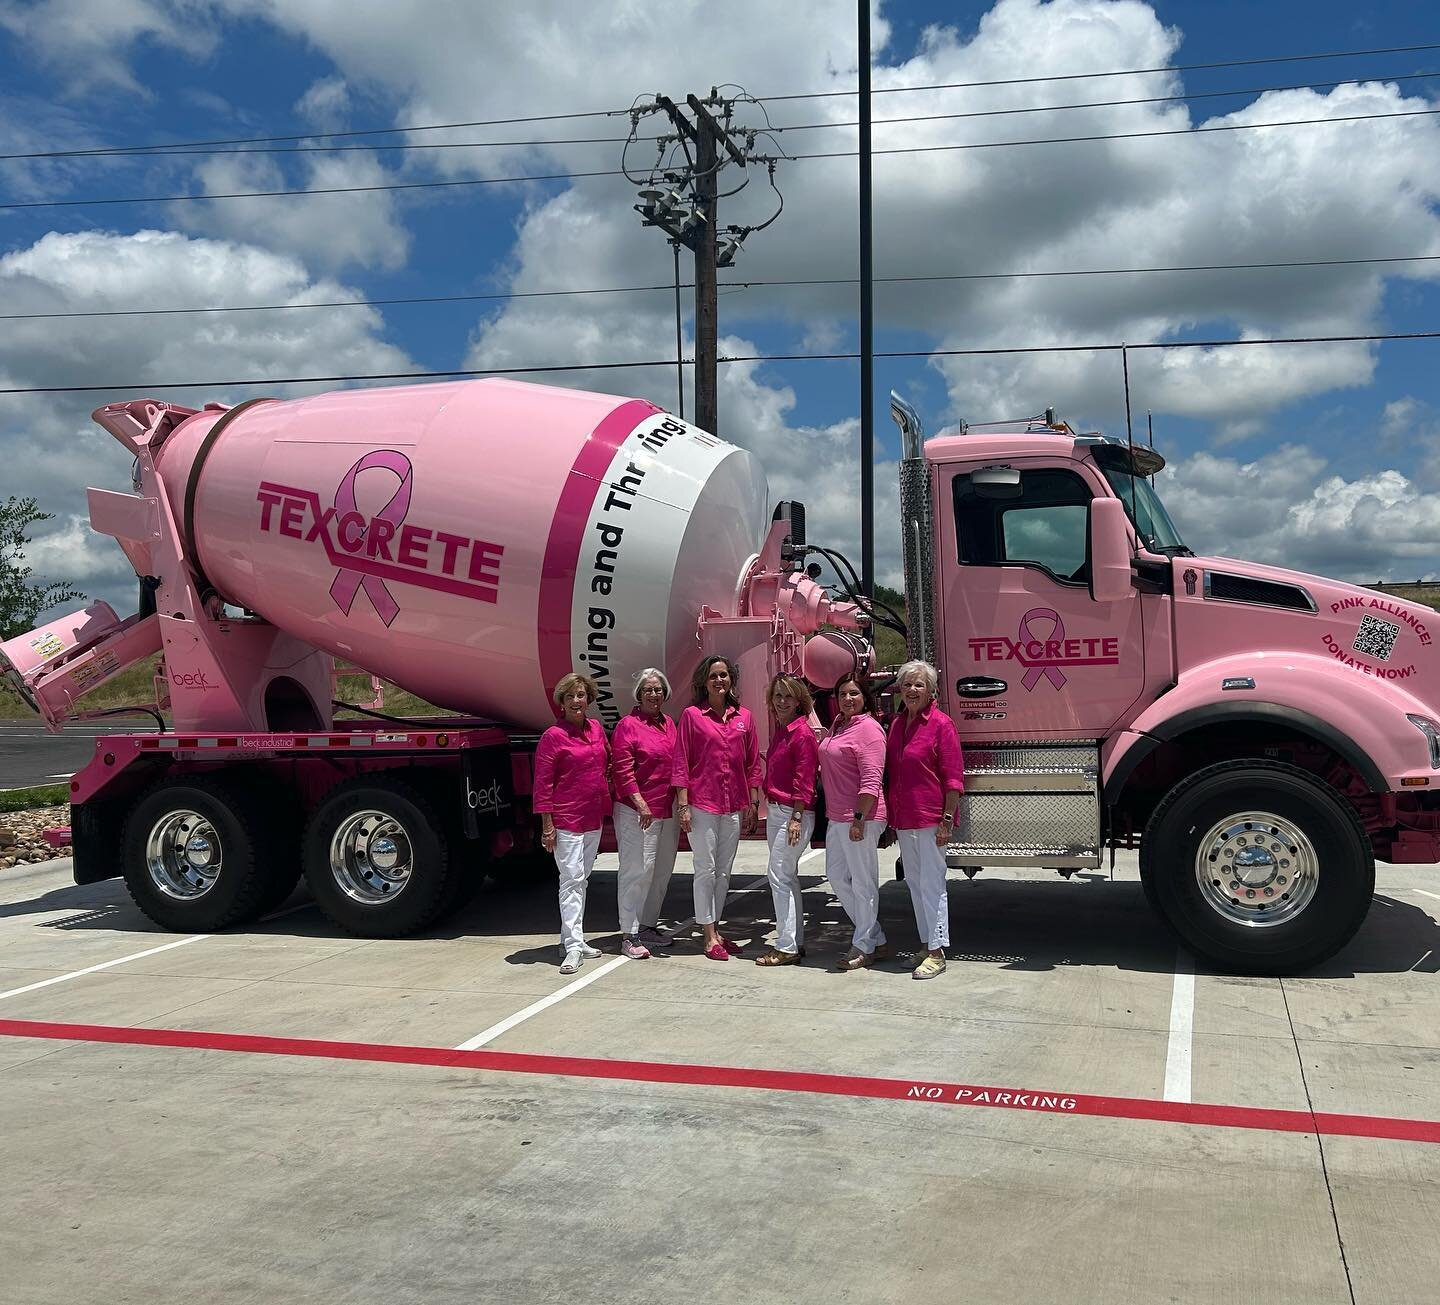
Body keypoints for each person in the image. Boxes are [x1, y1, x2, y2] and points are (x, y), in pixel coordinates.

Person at [673, 654, 761, 961]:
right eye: (713, 676)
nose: (719, 680)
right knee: (705, 869)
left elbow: (752, 763)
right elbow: (681, 761)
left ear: (731, 680)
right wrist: (683, 805)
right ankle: (708, 935)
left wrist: (753, 800)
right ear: (704, 682)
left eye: (724, 675)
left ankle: (716, 929)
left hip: (734, 804)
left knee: (724, 872)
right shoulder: (692, 716)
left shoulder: (744, 717)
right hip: (703, 803)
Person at [886, 660, 965, 980]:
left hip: (932, 817)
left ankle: (937, 952)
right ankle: (926, 943)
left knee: (932, 885)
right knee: (916, 885)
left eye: (919, 684)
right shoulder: (897, 724)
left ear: (931, 689)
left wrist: (946, 820)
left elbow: (953, 778)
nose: (912, 689)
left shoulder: (942, 724)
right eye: (907, 684)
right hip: (905, 818)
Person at [533, 671, 611, 975]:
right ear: (561, 704)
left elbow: (608, 764)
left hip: (592, 817)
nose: (576, 701)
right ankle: (573, 946)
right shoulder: (554, 736)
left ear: (588, 698)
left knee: (582, 878)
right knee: (571, 880)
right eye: (570, 697)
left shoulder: (595, 730)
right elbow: (543, 785)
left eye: (581, 695)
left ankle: (573, 937)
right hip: (566, 819)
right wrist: (547, 826)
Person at [818, 671, 890, 970]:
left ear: (865, 697)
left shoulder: (869, 729)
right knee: (836, 877)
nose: (848, 699)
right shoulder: (839, 725)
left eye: (854, 694)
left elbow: (872, 779)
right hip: (837, 816)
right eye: (842, 694)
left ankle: (863, 946)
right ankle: (875, 937)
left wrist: (859, 819)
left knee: (863, 883)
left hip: (862, 816)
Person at [611, 667, 681, 959]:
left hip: (666, 810)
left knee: (660, 871)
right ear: (638, 695)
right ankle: (629, 933)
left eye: (658, 689)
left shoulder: (669, 724)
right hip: (637, 811)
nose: (654, 694)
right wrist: (640, 802)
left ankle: (648, 926)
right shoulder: (628, 725)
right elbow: (622, 769)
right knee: (636, 871)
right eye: (648, 690)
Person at [756, 674, 819, 966]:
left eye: (788, 697)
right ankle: (795, 940)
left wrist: (796, 817)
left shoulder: (802, 733)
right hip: (778, 810)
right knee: (787, 876)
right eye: (777, 696)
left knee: (778, 877)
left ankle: (786, 945)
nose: (782, 701)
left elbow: (804, 780)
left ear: (799, 701)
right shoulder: (782, 731)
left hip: (792, 813)